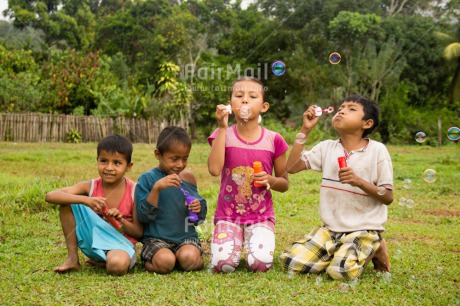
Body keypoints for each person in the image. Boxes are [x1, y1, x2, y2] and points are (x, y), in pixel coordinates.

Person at [279, 94, 393, 280]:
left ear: (367, 123)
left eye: (351, 109)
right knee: (290, 262)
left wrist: (359, 181)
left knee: (341, 272)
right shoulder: (326, 148)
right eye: (341, 107)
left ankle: (376, 246)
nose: (341, 111)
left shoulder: (377, 151)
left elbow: (387, 196)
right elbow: (291, 167)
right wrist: (305, 130)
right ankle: (342, 251)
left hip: (364, 228)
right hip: (331, 230)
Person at [208, 76, 289, 273]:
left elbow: (284, 184)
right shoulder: (222, 134)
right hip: (228, 215)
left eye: (252, 96)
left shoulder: (274, 140)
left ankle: (252, 237)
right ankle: (233, 237)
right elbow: (214, 169)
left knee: (260, 264)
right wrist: (221, 128)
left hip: (260, 216)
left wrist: (270, 180)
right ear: (230, 105)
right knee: (222, 265)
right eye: (238, 95)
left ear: (264, 106)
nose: (245, 100)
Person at [45, 134, 142, 276]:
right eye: (104, 161)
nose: (109, 168)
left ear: (128, 166)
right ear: (97, 160)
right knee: (67, 202)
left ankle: (104, 260)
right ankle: (72, 259)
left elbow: (138, 232)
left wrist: (120, 219)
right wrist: (86, 200)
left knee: (117, 267)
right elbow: (50, 196)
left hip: (120, 245)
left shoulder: (134, 190)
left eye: (117, 163)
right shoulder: (90, 186)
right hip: (93, 242)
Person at [136, 126, 207, 274]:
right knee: (165, 263)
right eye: (174, 159)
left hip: (186, 238)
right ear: (158, 154)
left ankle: (188, 259)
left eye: (185, 158)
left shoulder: (187, 178)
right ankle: (153, 263)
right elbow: (143, 216)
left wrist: (198, 207)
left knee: (189, 260)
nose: (180, 164)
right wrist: (156, 189)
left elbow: (199, 219)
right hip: (156, 239)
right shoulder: (148, 179)